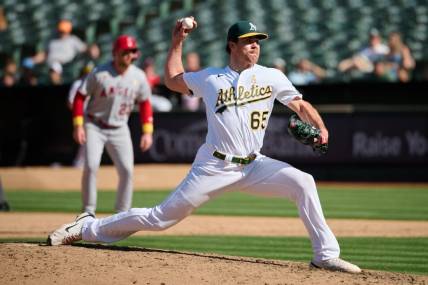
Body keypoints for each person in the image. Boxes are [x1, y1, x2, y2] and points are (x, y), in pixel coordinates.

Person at [47, 19, 361, 274]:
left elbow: (300, 105)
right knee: (160, 218)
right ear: (232, 45)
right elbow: (172, 80)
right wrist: (177, 42)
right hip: (214, 165)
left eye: (258, 41)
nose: (255, 45)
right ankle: (88, 227)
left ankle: (325, 255)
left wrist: (321, 127)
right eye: (248, 40)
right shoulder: (211, 78)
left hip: (254, 164)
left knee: (303, 182)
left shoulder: (271, 76)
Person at [68, 34, 154, 214]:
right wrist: (78, 125)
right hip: (95, 125)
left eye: (133, 52)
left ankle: (122, 213)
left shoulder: (138, 76)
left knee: (127, 171)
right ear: (115, 53)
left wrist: (147, 132)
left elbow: (145, 103)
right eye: (126, 52)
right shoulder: (100, 73)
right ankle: (88, 211)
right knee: (91, 166)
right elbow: (79, 97)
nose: (130, 55)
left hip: (120, 128)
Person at [67, 63, 94, 168]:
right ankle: (79, 162)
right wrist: (78, 113)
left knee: (89, 140)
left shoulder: (93, 84)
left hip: (91, 114)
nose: (88, 74)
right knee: (84, 139)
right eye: (86, 72)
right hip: (81, 115)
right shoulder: (77, 83)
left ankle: (81, 162)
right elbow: (70, 102)